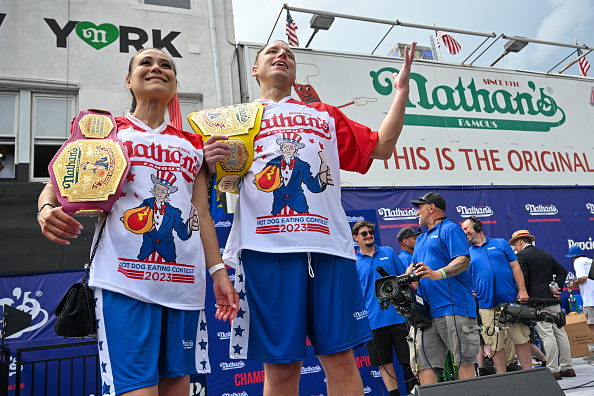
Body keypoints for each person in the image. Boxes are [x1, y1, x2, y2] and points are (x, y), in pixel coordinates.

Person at [205, 40, 416, 395]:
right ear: (254, 70)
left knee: (341, 360)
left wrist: (401, 93)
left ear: (295, 72)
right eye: (271, 52)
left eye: (288, 53)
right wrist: (209, 161)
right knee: (283, 368)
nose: (281, 55)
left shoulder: (323, 115)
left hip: (329, 249)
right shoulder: (236, 120)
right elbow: (213, 182)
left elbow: (381, 146)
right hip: (266, 251)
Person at [37, 48, 239, 396]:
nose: (156, 68)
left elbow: (201, 213)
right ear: (129, 81)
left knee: (176, 387)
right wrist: (45, 211)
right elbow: (55, 186)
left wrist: (219, 272)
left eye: (166, 66)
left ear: (175, 85)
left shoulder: (193, 145)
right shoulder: (107, 132)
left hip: (183, 288)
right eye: (146, 62)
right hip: (124, 284)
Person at [406, 192, 479, 385]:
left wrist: (438, 274)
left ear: (432, 208)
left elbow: (463, 261)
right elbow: (413, 270)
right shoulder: (420, 239)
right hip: (426, 314)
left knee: (464, 361)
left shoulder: (451, 229)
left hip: (454, 307)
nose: (417, 212)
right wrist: (401, 281)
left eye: (420, 207)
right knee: (423, 365)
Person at [352, 220, 418, 395]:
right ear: (355, 238)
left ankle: (414, 392)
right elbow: (355, 295)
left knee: (408, 360)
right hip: (373, 321)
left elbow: (403, 279)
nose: (368, 236)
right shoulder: (353, 262)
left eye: (370, 233)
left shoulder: (388, 252)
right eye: (364, 234)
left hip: (399, 316)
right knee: (385, 364)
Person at [461, 216, 532, 373]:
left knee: (521, 339)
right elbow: (466, 276)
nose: (464, 232)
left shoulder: (500, 243)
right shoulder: (466, 254)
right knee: (495, 344)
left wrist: (522, 290)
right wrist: (472, 288)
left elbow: (515, 267)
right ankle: (502, 377)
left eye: (466, 229)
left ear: (478, 227)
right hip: (486, 305)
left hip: (511, 301)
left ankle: (530, 375)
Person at [509, 229, 574, 380]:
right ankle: (567, 367)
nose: (515, 248)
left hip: (537, 302)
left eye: (515, 245)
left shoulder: (521, 256)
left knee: (547, 335)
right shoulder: (545, 254)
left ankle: (553, 369)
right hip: (552, 300)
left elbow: (522, 279)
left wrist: (521, 294)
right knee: (560, 332)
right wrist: (556, 288)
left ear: (520, 242)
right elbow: (562, 272)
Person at [567, 245, 594, 362]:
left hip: (590, 298)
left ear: (573, 257)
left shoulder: (578, 261)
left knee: (592, 326)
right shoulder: (590, 261)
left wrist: (573, 283)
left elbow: (583, 277)